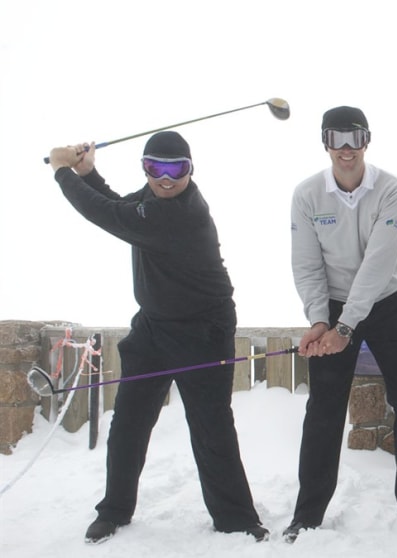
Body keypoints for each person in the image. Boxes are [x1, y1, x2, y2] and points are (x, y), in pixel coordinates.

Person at [47, 132, 268, 544]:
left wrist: (62, 171)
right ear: (145, 168)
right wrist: (89, 173)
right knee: (129, 422)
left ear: (190, 169)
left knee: (211, 427)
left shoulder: (181, 215)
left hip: (203, 330)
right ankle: (114, 510)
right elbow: (119, 205)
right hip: (153, 327)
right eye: (155, 168)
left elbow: (106, 216)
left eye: (176, 169)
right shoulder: (151, 202)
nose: (165, 179)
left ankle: (237, 521)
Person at [284, 106, 397, 540]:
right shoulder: (306, 195)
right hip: (332, 309)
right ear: (324, 142)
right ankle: (308, 513)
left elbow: (378, 263)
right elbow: (306, 264)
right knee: (323, 409)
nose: (346, 149)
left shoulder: (393, 190)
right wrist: (320, 319)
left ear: (367, 140)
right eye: (337, 139)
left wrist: (346, 328)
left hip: (386, 303)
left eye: (355, 138)